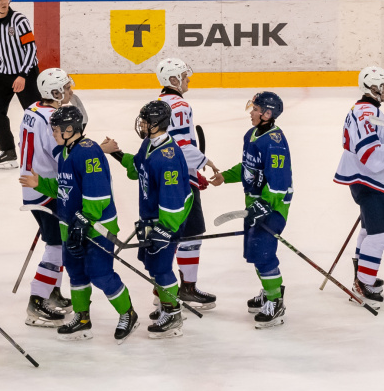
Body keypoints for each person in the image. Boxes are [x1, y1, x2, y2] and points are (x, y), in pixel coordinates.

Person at [19, 106, 139, 343]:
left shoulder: (89, 151)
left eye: (56, 129)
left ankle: (128, 313)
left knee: (101, 274)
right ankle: (82, 318)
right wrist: (40, 184)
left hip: (96, 227)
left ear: (70, 129)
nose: (53, 133)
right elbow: (63, 188)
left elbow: (98, 194)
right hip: (71, 226)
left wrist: (84, 220)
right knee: (76, 273)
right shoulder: (67, 151)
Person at [102, 101, 192, 339]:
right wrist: (115, 153)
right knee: (152, 265)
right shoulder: (149, 144)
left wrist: (165, 229)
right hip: (152, 218)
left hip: (166, 221)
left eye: (146, 121)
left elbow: (173, 200)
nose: (141, 125)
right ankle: (166, 304)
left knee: (161, 268)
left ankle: (173, 314)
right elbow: (137, 167)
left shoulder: (168, 158)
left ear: (158, 124)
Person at [333, 67, 384, 308]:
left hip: (364, 178)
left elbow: (374, 147)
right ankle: (363, 282)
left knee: (369, 229)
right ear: (372, 88)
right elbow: (369, 153)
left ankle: (361, 277)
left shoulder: (364, 109)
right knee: (380, 233)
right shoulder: (367, 112)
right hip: (368, 180)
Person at [209, 92, 292, 328]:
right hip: (255, 205)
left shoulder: (274, 142)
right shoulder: (252, 134)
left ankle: (275, 302)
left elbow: (279, 182)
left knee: (264, 253)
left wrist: (264, 204)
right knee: (255, 252)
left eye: (255, 109)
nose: (251, 113)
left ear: (267, 114)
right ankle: (269, 291)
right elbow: (249, 167)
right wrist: (226, 176)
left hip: (273, 207)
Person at [155, 58, 219, 311]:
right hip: (180, 181)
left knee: (169, 233)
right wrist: (206, 162)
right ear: (173, 80)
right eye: (183, 76)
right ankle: (187, 288)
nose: (187, 79)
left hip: (166, 178)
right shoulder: (179, 105)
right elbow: (180, 145)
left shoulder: (158, 103)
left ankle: (161, 288)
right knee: (191, 233)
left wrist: (194, 171)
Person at [19, 68, 76, 327]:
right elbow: (59, 154)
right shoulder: (53, 118)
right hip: (47, 187)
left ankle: (52, 292)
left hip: (32, 184)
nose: (70, 91)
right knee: (56, 246)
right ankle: (37, 301)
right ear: (54, 92)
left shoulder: (32, 109)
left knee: (58, 241)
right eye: (66, 88)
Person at [0, 0, 41, 167]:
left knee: (36, 113)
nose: (3, 2)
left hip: (26, 73)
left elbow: (31, 49)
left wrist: (23, 75)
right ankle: (8, 151)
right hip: (3, 73)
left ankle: (44, 150)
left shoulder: (19, 20)